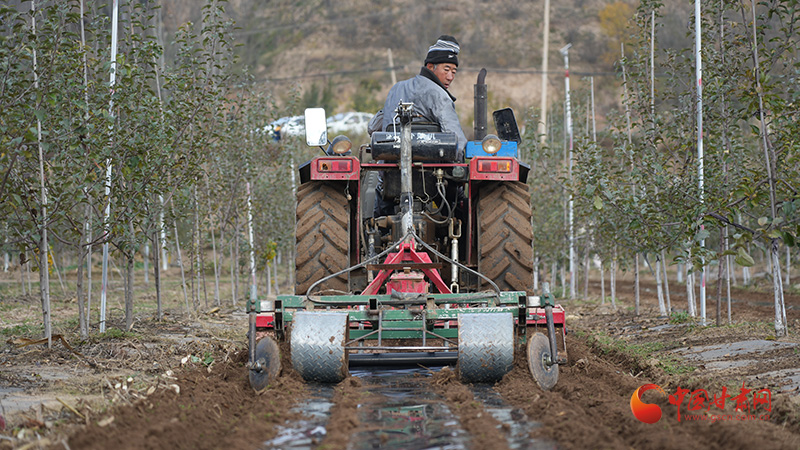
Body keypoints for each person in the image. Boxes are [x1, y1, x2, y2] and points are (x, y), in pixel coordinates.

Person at [369, 35, 467, 217]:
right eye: (447, 70)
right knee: (460, 209)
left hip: (391, 175)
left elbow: (374, 128)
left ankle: (374, 238)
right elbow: (456, 139)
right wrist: (460, 163)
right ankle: (459, 241)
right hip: (431, 179)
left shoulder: (396, 89)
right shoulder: (439, 95)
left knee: (378, 213)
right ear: (430, 67)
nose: (450, 76)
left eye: (454, 72)